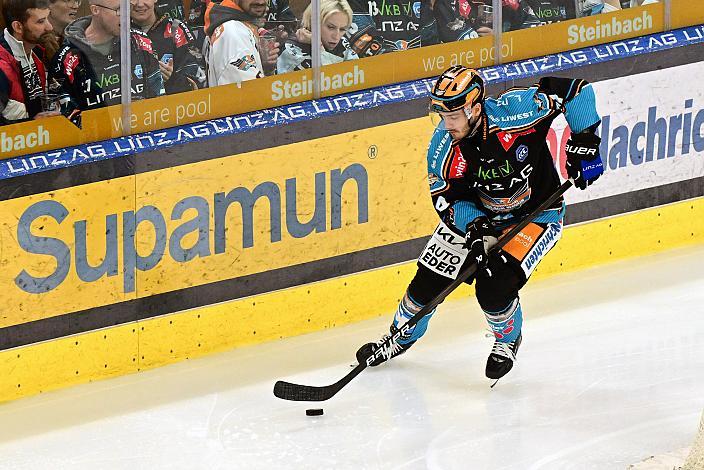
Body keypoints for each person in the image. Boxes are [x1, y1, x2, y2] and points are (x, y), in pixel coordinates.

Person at [357, 65, 604, 381]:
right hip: (477, 219)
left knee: (493, 286)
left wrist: (586, 140)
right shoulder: (443, 147)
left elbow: (575, 91)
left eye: (454, 116)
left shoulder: (519, 112)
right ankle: (399, 336)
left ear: (475, 107)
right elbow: (446, 198)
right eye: (442, 117)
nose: (447, 125)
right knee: (427, 282)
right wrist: (476, 229)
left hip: (535, 216)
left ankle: (507, 339)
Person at [50, 0, 165, 121]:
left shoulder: (139, 41)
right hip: (97, 137)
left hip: (143, 131)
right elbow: (67, 119)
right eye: (119, 10)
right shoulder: (67, 59)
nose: (126, 16)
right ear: (95, 10)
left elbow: (159, 98)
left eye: (128, 8)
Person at [0, 0, 61, 124]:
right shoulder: (2, 67)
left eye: (48, 18)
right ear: (18, 27)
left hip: (44, 135)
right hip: (17, 140)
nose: (50, 27)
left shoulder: (41, 49)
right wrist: (32, 123)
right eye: (40, 21)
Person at [131, 0, 206, 94]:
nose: (140, 4)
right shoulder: (117, 33)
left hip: (174, 106)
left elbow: (198, 79)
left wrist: (172, 78)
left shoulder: (175, 28)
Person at [203, 0, 279, 86]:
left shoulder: (236, 25)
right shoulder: (233, 32)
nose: (261, 2)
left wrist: (263, 66)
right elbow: (250, 92)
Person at [276, 0, 357, 73]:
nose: (336, 36)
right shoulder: (291, 50)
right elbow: (332, 82)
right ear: (313, 22)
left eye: (342, 29)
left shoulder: (342, 42)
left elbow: (358, 76)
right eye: (331, 27)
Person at [39, 0, 80, 64]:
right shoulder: (33, 43)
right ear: (48, 4)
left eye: (77, 1)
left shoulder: (77, 41)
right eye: (68, 0)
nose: (76, 6)